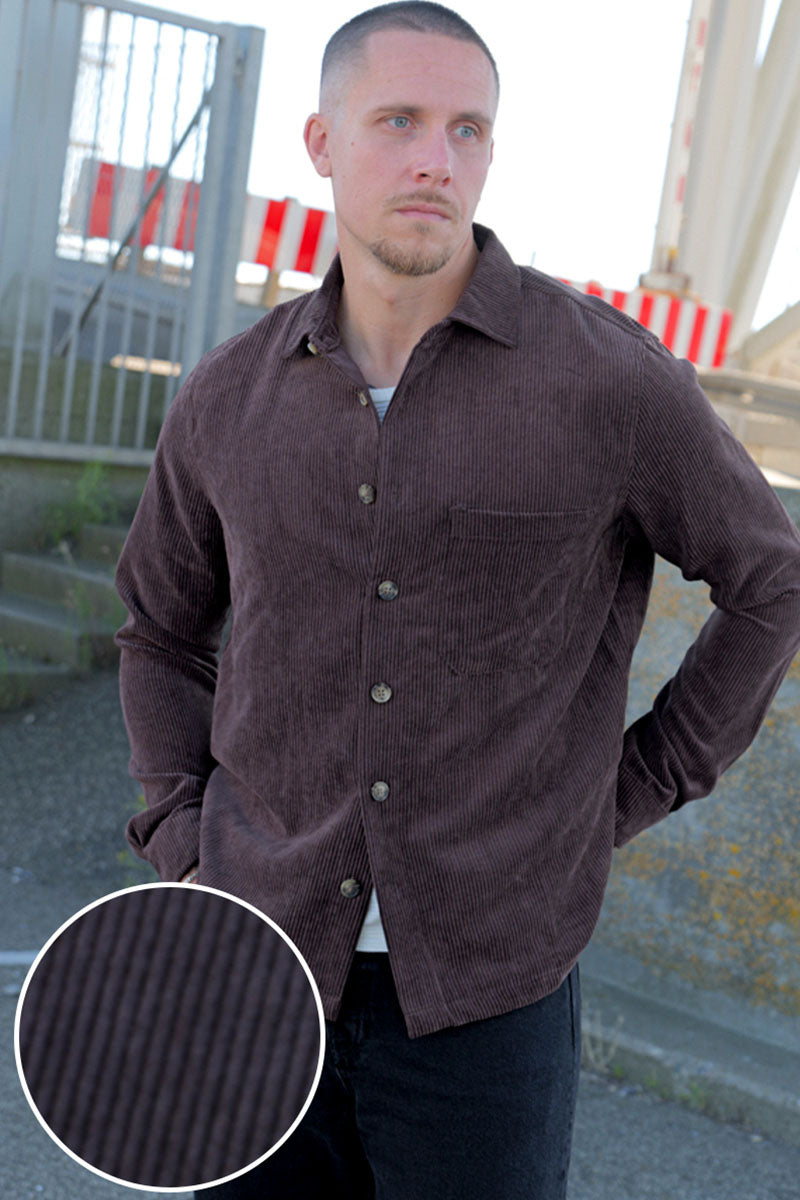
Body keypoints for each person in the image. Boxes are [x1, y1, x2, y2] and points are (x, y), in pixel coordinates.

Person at [114, 3, 800, 1197]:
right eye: (398, 121)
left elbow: (769, 580)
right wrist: (181, 838)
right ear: (322, 143)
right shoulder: (227, 397)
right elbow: (160, 632)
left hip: (489, 1001)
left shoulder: (604, 382)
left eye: (466, 129)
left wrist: (625, 791)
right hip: (256, 964)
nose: (436, 158)